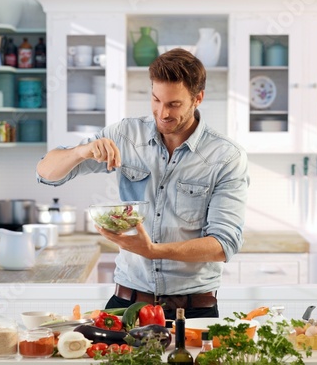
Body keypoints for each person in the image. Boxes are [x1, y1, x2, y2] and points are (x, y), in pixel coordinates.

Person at [36, 48, 249, 320]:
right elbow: (46, 172)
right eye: (156, 99)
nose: (162, 112)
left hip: (193, 309)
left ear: (198, 99)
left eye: (174, 104)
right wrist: (82, 151)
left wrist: (154, 251)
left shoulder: (226, 156)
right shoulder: (125, 135)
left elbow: (223, 244)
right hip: (127, 302)